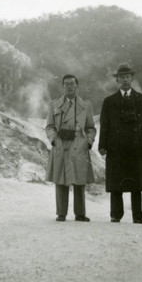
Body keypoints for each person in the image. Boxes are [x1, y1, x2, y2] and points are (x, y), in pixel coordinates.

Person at [98, 64, 142, 224]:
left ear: (132, 78)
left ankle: (138, 216)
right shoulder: (109, 101)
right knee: (116, 182)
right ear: (117, 80)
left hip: (136, 146)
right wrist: (102, 145)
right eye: (121, 77)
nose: (125, 80)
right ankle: (116, 215)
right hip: (116, 146)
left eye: (127, 76)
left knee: (137, 182)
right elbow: (105, 125)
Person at [45, 74, 96, 222]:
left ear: (76, 85)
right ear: (63, 86)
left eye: (72, 84)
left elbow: (91, 127)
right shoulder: (54, 105)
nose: (69, 86)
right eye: (66, 84)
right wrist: (54, 140)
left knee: (79, 179)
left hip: (79, 145)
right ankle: (61, 213)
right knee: (61, 179)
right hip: (61, 144)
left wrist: (89, 142)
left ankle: (80, 214)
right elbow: (49, 126)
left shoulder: (86, 105)